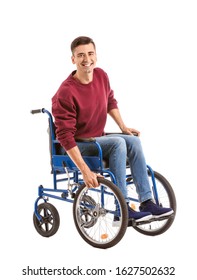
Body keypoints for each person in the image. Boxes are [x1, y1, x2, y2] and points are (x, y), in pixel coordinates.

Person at [52, 36, 173, 223]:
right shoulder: (66, 92)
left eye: (90, 54)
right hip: (76, 145)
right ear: (73, 59)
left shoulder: (101, 75)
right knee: (117, 143)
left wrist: (123, 127)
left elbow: (109, 101)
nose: (86, 59)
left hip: (96, 139)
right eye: (81, 55)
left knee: (132, 140)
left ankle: (147, 201)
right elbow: (65, 136)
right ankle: (121, 208)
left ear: (96, 56)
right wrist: (84, 170)